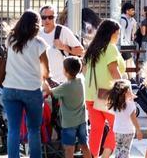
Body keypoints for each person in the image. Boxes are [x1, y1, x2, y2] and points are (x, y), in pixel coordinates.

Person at [3, 10, 52, 158]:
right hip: (31, 90)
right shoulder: (39, 44)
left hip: (10, 89)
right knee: (33, 130)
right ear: (36, 25)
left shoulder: (10, 39)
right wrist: (44, 79)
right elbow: (46, 71)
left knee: (13, 130)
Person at [84, 20, 127, 158]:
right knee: (119, 126)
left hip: (90, 93)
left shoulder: (92, 48)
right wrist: (123, 90)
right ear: (111, 33)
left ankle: (92, 156)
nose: (118, 36)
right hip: (105, 93)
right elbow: (114, 71)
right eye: (117, 33)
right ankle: (106, 155)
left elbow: (85, 70)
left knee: (96, 129)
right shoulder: (110, 48)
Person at [40, 4, 85, 84]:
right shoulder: (38, 33)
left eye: (50, 17)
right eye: (44, 17)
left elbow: (81, 51)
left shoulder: (63, 31)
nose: (47, 20)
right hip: (44, 82)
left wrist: (63, 47)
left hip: (62, 82)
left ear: (55, 17)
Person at [55, 56, 89, 158]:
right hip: (82, 120)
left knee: (69, 149)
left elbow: (50, 92)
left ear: (65, 71)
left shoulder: (65, 86)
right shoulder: (81, 80)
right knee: (85, 146)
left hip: (69, 123)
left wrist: (44, 80)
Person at [105, 79, 142, 158]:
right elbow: (133, 119)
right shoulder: (130, 104)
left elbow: (109, 107)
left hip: (117, 131)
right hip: (128, 131)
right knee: (125, 151)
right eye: (129, 90)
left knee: (118, 149)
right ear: (125, 93)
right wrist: (138, 130)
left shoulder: (114, 105)